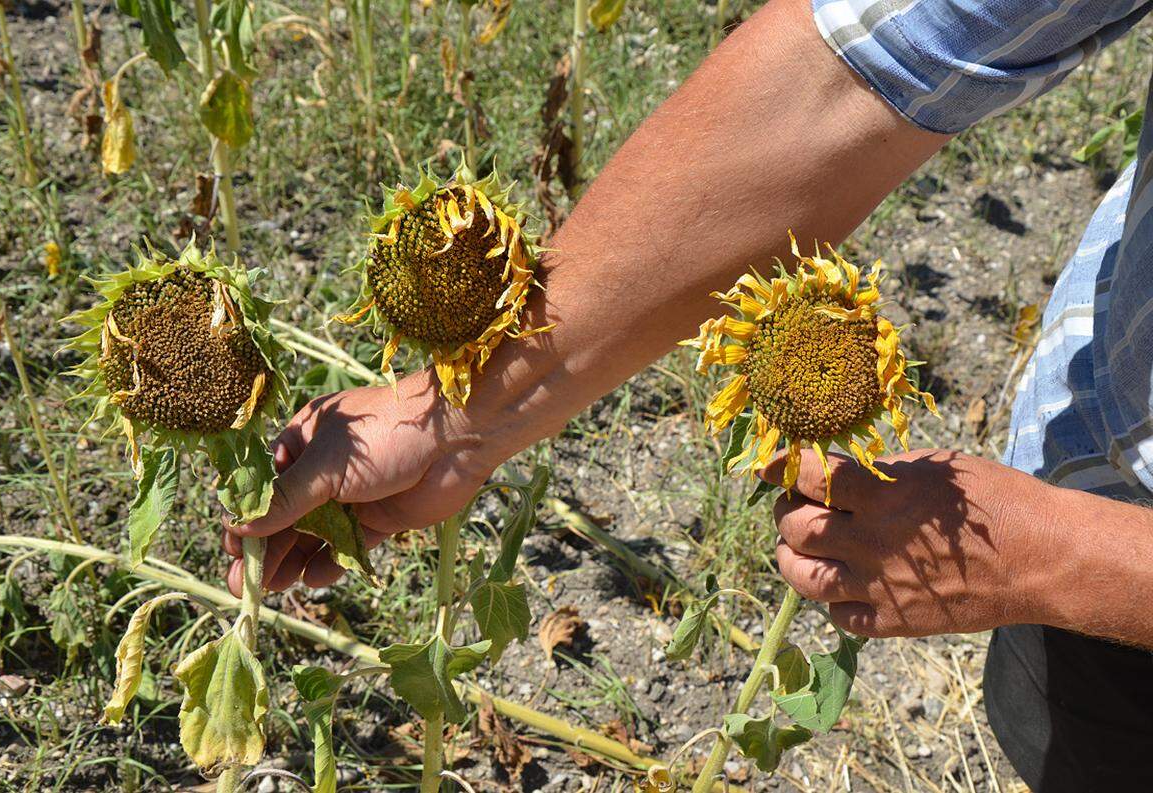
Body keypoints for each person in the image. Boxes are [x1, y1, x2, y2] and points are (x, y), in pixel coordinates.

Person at [219, 0, 1153, 788]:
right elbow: (860, 73)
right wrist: (458, 418)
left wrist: (1060, 555)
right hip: (1105, 478)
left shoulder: (1052, 549)